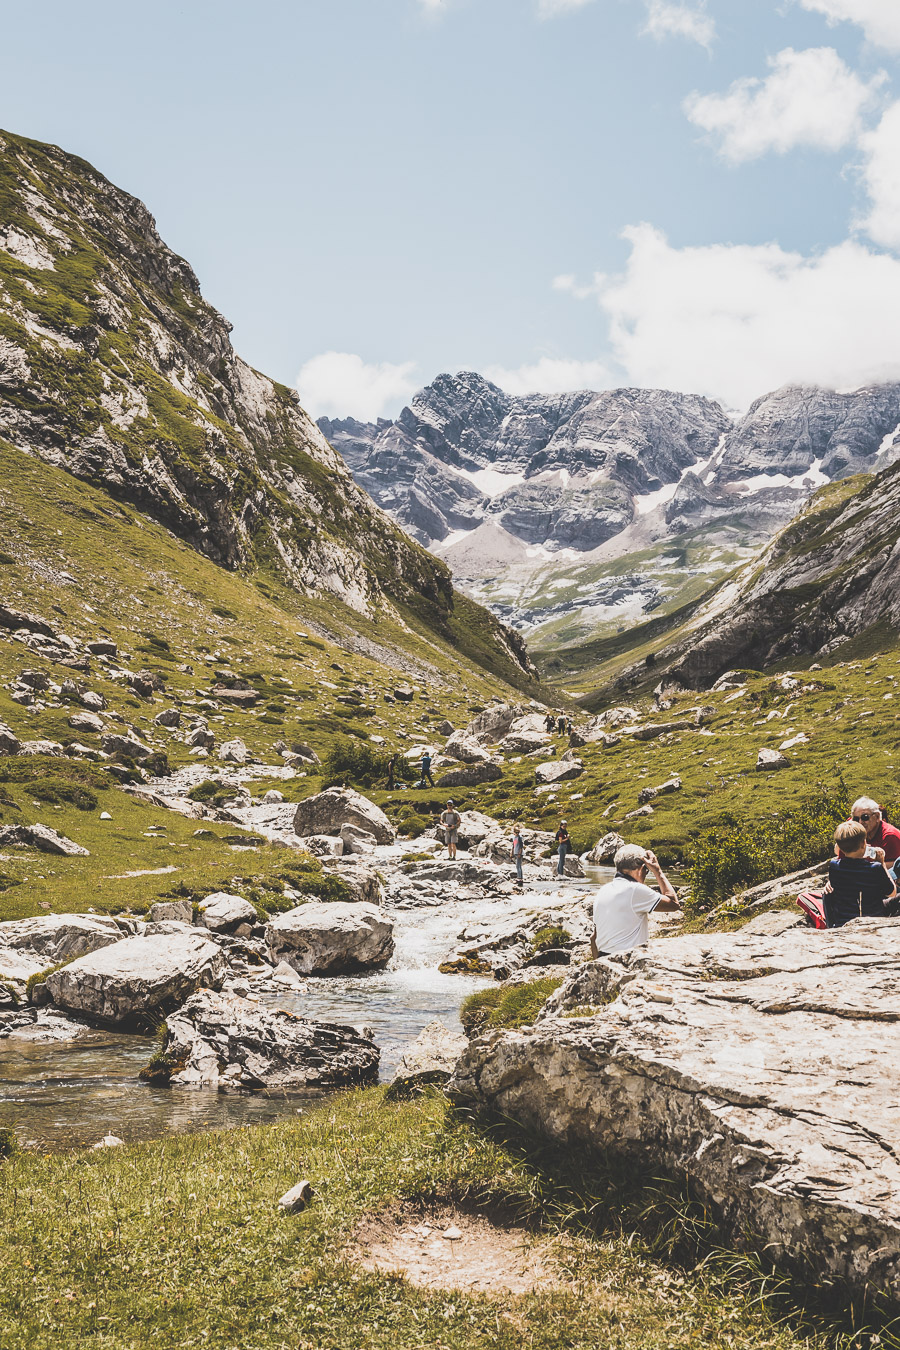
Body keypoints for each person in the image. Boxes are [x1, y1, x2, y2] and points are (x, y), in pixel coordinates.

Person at [591, 844, 681, 957]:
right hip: (628, 959)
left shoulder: (603, 890)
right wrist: (657, 871)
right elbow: (673, 903)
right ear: (642, 868)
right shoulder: (635, 889)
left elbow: (594, 937)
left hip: (603, 959)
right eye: (646, 871)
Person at [824, 820, 897, 928]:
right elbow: (892, 893)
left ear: (840, 848)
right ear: (864, 843)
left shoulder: (834, 866)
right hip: (874, 919)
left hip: (843, 922)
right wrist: (882, 863)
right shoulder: (875, 868)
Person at [849, 797, 900, 864]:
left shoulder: (890, 836)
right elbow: (838, 849)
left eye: (865, 817)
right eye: (856, 818)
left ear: (877, 816)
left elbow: (894, 866)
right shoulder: (853, 827)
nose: (860, 822)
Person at [510, 824, 525, 888]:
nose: (516, 833)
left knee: (518, 865)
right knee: (518, 866)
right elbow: (513, 846)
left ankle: (519, 878)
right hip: (516, 852)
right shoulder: (514, 838)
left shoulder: (519, 837)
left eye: (517, 832)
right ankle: (520, 877)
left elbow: (521, 846)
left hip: (519, 853)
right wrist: (512, 853)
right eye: (515, 832)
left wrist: (519, 853)